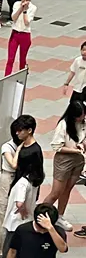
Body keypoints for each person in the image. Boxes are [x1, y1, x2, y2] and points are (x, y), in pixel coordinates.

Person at [0, 148, 45, 258]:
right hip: (26, 222)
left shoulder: (22, 183)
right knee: (21, 254)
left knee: (8, 254)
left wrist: (22, 210)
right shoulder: (36, 178)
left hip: (15, 224)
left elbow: (19, 202)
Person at [43, 99, 86, 231]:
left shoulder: (83, 123)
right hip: (64, 160)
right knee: (56, 192)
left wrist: (81, 145)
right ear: (73, 115)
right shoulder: (63, 125)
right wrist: (75, 150)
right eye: (81, 115)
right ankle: (40, 214)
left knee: (68, 189)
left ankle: (60, 216)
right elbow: (57, 146)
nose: (83, 117)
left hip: (78, 160)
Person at [0, 120, 25, 258]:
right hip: (7, 178)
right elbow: (13, 164)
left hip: (18, 180)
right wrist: (19, 150)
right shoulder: (7, 147)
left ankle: (5, 243)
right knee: (1, 212)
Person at [5, 0, 37, 75]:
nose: (25, 2)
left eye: (27, 0)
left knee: (22, 59)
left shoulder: (33, 8)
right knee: (10, 59)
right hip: (15, 33)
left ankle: (21, 77)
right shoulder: (16, 4)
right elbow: (14, 18)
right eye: (23, 0)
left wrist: (25, 11)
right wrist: (20, 8)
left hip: (25, 34)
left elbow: (27, 22)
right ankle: (6, 76)